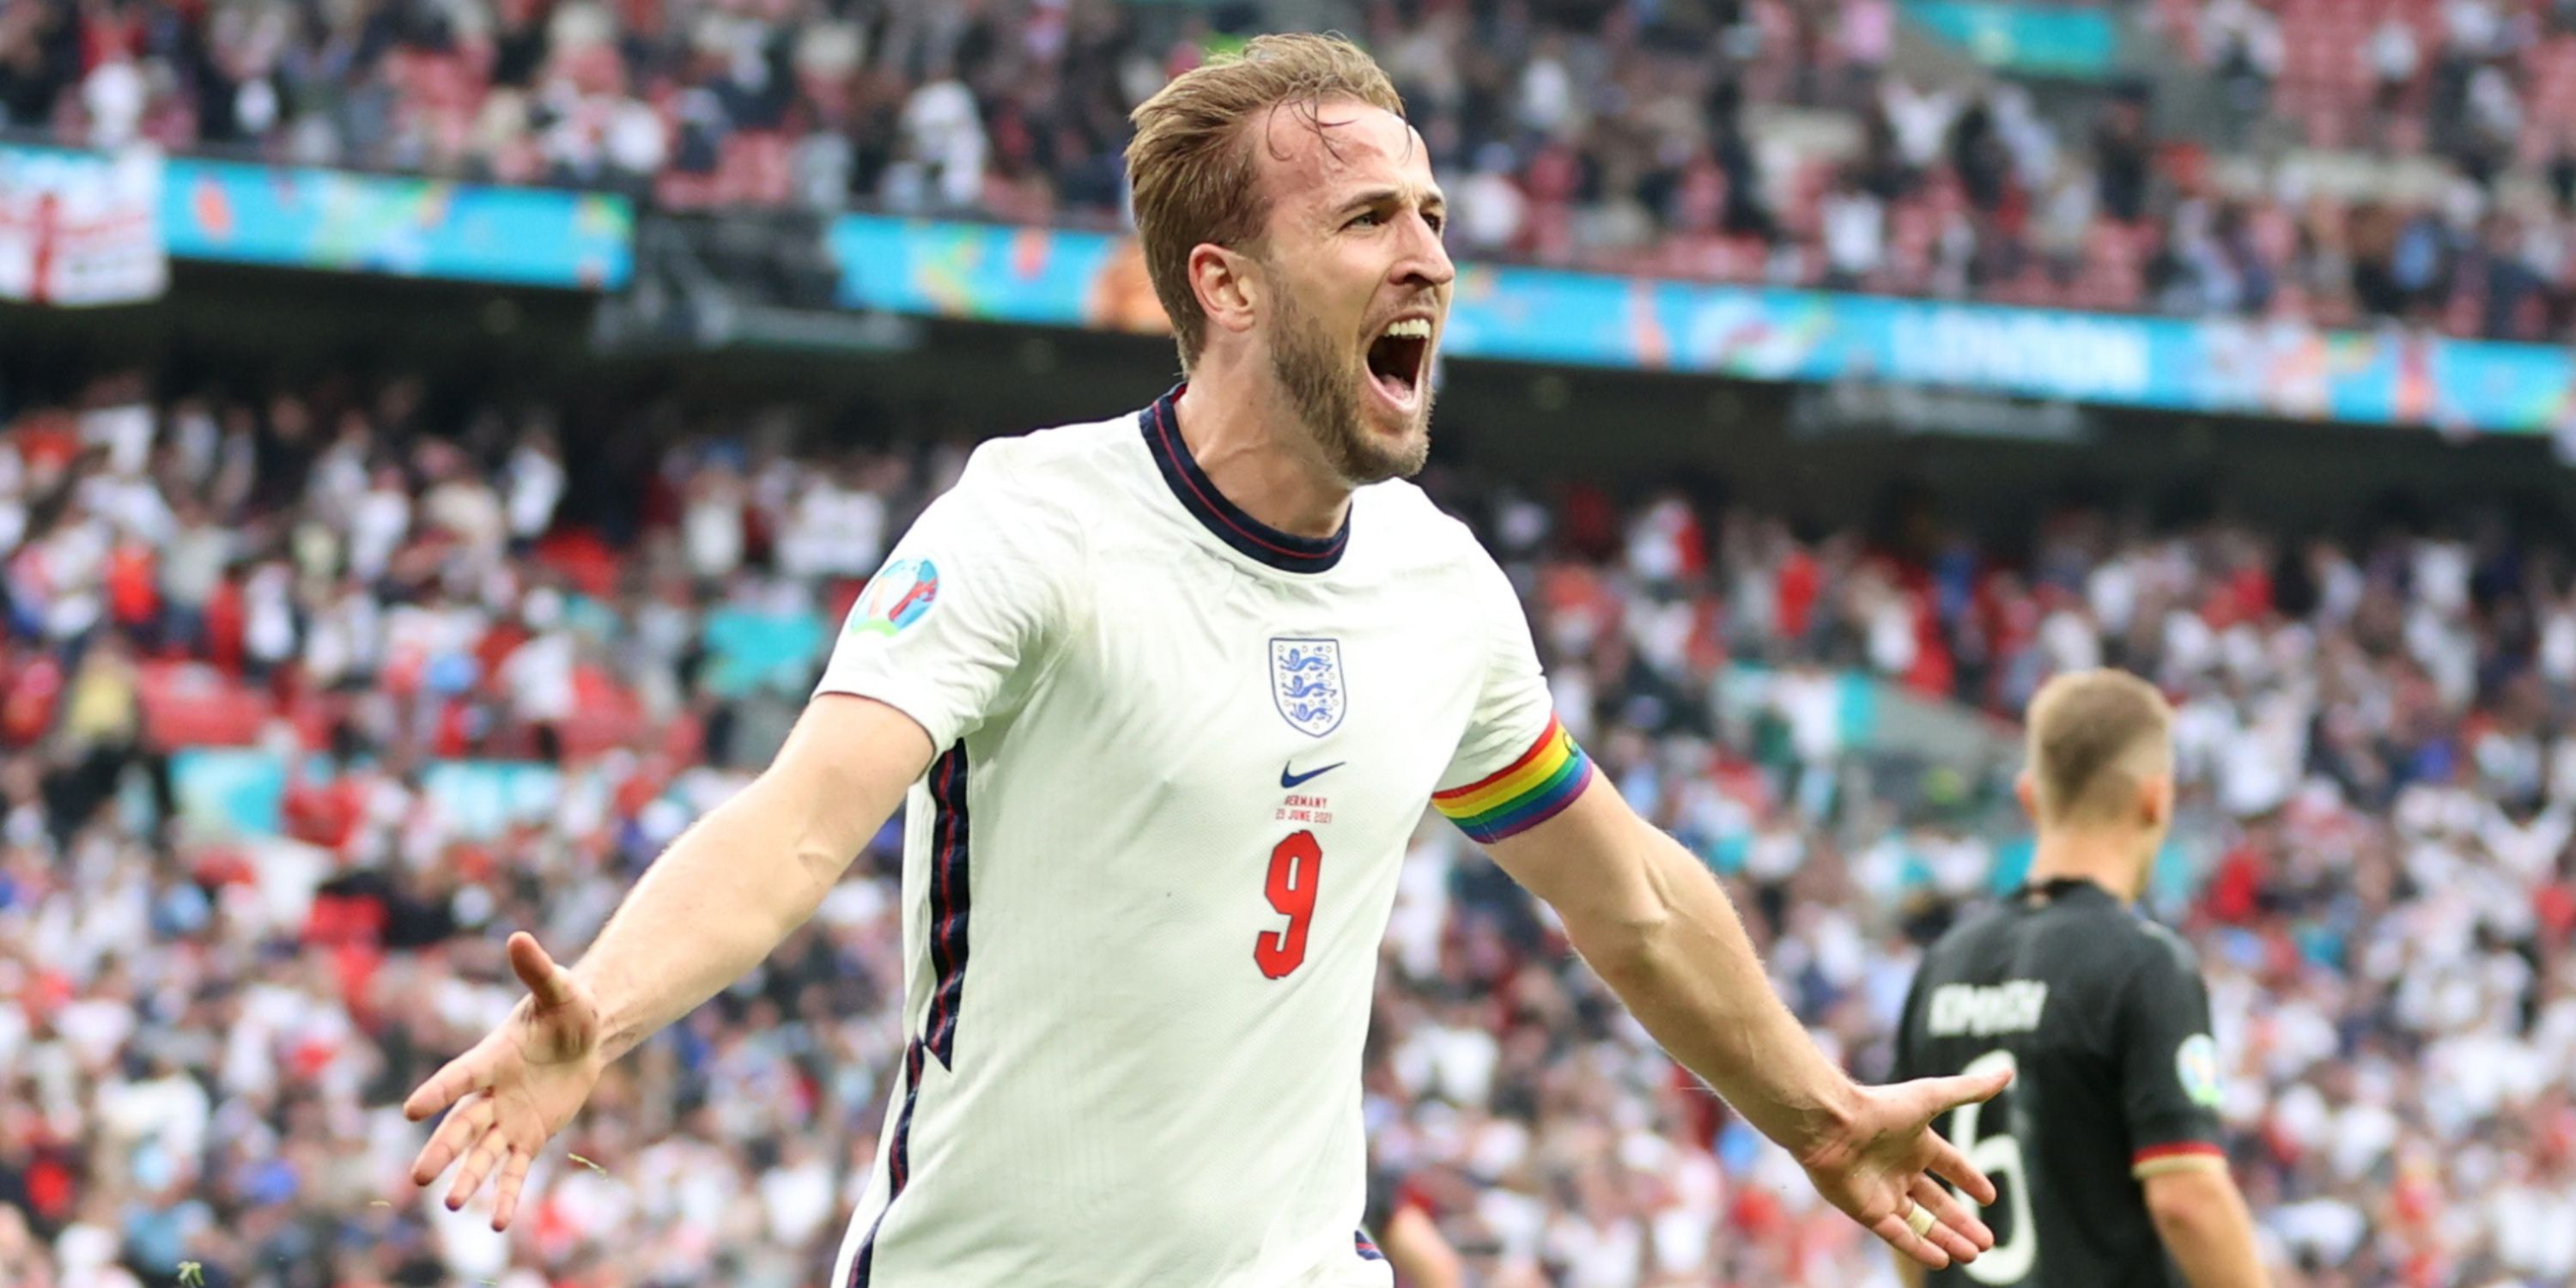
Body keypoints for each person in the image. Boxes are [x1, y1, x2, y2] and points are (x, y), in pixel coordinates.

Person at [402, 33, 2008, 1288]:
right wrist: (595, 1015)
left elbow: (1631, 899)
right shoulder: (1034, 526)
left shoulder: (1441, 591)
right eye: (1369, 217)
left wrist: (1818, 1115)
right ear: (1224, 284)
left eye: (1434, 216)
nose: (1431, 257)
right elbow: (799, 826)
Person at [1891, 669, 2269, 1288]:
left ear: (2029, 796)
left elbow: (1901, 1192)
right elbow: (2188, 1199)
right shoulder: (2145, 964)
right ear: (2156, 799)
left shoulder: (1943, 965)